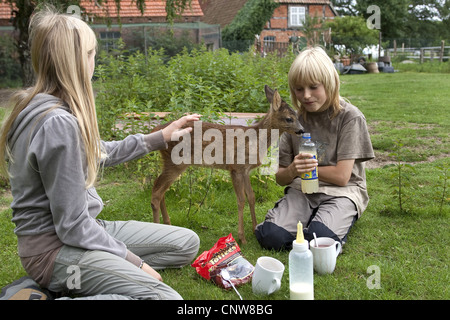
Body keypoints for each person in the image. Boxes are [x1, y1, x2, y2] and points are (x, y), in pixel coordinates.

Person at [0, 8, 201, 300]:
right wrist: (136, 263)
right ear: (77, 62)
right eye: (93, 52)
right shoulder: (57, 122)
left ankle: (102, 276)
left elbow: (98, 153)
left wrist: (161, 137)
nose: (96, 59)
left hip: (86, 231)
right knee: (164, 298)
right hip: (54, 253)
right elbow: (72, 226)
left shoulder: (51, 107)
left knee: (185, 244)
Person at [254, 47, 374, 251]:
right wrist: (292, 170)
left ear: (330, 83)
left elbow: (342, 177)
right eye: (299, 89)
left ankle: (326, 222)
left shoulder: (350, 117)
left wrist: (307, 168)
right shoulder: (293, 120)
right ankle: (302, 219)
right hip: (303, 190)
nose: (306, 95)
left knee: (318, 240)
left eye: (313, 87)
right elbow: (281, 177)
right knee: (271, 237)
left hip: (342, 192)